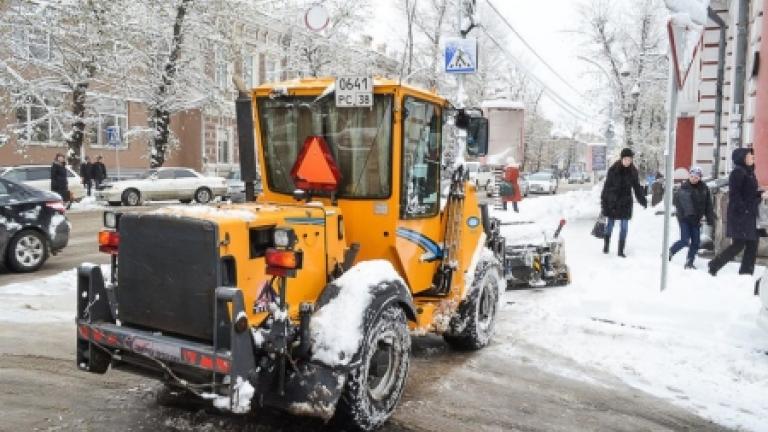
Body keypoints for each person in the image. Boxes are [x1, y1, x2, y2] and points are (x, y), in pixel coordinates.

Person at [708, 148, 767, 276]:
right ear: (742, 158)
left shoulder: (750, 173)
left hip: (749, 214)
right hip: (741, 215)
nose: (753, 157)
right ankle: (715, 264)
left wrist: (760, 194)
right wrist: (747, 207)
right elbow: (735, 195)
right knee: (739, 245)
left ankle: (746, 273)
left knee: (752, 243)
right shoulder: (738, 173)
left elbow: (749, 193)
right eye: (750, 156)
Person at [600, 147, 648, 257]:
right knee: (610, 226)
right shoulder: (613, 170)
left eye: (629, 159)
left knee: (624, 227)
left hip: (626, 203)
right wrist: (604, 203)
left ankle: (620, 250)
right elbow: (606, 187)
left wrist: (642, 200)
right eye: (625, 159)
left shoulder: (633, 172)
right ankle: (606, 244)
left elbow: (637, 188)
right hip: (613, 202)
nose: (627, 161)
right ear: (621, 159)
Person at [669, 167, 715, 269]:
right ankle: (670, 252)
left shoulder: (704, 188)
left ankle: (689, 262)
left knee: (696, 242)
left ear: (700, 177)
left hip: (696, 220)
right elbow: (678, 203)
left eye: (696, 177)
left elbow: (708, 205)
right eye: (692, 176)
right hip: (684, 219)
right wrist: (683, 214)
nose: (694, 178)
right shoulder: (684, 187)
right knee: (685, 240)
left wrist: (710, 218)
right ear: (689, 176)